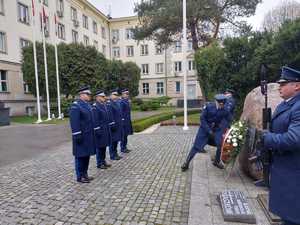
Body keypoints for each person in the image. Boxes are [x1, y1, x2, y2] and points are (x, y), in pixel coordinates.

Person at [261, 66, 300, 225]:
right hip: (284, 171)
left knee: (292, 218)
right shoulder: (287, 104)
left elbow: (294, 139)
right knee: (286, 217)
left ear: (297, 85)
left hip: (293, 174)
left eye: (284, 84)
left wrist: (267, 138)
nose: (280, 87)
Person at [181, 94, 231, 171]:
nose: (221, 106)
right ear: (216, 102)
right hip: (205, 129)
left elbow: (227, 120)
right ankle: (186, 163)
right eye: (220, 104)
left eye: (222, 104)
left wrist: (225, 128)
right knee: (196, 146)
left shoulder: (225, 109)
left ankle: (217, 161)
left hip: (216, 130)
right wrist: (209, 130)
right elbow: (202, 119)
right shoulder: (209, 106)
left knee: (220, 144)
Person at [69, 86, 95, 183]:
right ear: (81, 95)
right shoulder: (76, 106)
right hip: (81, 136)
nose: (89, 96)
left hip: (88, 135)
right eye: (87, 94)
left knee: (86, 155)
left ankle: (85, 174)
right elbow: (74, 122)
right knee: (80, 156)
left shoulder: (87, 105)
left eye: (89, 94)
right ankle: (80, 176)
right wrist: (77, 135)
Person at [93, 90, 112, 169]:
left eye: (104, 96)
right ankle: (99, 163)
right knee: (100, 147)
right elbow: (95, 120)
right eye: (102, 96)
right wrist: (97, 130)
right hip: (100, 130)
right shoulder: (95, 106)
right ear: (97, 97)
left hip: (105, 129)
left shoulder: (103, 105)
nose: (104, 98)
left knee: (104, 146)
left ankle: (103, 161)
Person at [107, 89, 123, 160]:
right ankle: (112, 155)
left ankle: (115, 153)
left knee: (116, 140)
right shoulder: (109, 104)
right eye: (114, 95)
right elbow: (110, 115)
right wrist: (112, 124)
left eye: (117, 95)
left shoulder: (116, 103)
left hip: (118, 124)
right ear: (110, 95)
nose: (116, 96)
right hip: (113, 125)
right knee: (113, 141)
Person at [119, 88, 133, 153]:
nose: (128, 95)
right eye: (126, 94)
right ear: (123, 94)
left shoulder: (127, 101)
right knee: (123, 135)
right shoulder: (121, 102)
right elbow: (121, 112)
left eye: (128, 94)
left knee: (126, 135)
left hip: (127, 120)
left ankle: (125, 147)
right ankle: (122, 148)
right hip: (124, 121)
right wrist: (122, 121)